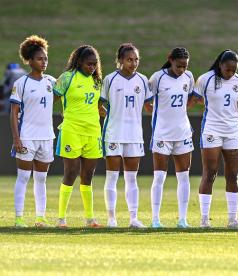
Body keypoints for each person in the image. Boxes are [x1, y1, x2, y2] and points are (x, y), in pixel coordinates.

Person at [191, 49, 238, 228]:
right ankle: (204, 219)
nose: (231, 73)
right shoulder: (206, 79)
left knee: (232, 175)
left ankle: (233, 219)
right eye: (228, 69)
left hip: (233, 131)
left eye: (234, 70)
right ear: (220, 65)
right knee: (210, 173)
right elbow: (195, 99)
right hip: (212, 129)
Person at [101, 43, 152, 228]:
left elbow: (148, 106)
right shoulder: (110, 79)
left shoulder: (143, 80)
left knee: (132, 178)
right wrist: (112, 117)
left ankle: (133, 219)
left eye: (136, 59)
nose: (133, 63)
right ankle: (111, 218)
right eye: (129, 59)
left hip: (135, 135)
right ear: (120, 60)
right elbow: (100, 104)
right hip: (114, 134)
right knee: (112, 177)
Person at [54, 45, 104, 228]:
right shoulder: (67, 78)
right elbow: (52, 99)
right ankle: (61, 218)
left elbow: (97, 106)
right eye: (89, 64)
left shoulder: (97, 81)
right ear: (79, 61)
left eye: (95, 64)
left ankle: (90, 219)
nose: (92, 67)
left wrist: (107, 113)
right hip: (71, 130)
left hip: (93, 132)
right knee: (71, 173)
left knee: (88, 176)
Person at [10, 35, 56, 228]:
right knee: (23, 177)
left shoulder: (52, 82)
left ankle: (40, 217)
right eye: (39, 58)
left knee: (41, 179)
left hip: (46, 137)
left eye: (45, 58)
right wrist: (17, 139)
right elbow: (13, 113)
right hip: (27, 137)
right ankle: (19, 218)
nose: (44, 62)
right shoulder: (21, 83)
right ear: (29, 60)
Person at [148, 47, 195, 228]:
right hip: (162, 134)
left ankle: (183, 219)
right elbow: (146, 102)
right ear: (170, 60)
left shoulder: (188, 77)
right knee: (159, 177)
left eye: (184, 66)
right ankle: (155, 220)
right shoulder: (157, 77)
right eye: (178, 65)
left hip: (182, 134)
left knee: (184, 176)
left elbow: (189, 99)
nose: (181, 69)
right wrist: (159, 118)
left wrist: (180, 117)